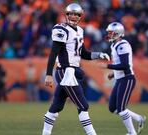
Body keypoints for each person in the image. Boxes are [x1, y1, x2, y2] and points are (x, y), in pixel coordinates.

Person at [42, 3, 110, 135]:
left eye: (76, 14)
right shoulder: (61, 29)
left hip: (73, 71)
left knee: (56, 106)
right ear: (66, 15)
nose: (73, 16)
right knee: (83, 105)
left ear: (80, 16)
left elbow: (84, 53)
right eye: (71, 14)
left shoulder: (80, 30)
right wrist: (49, 74)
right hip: (66, 72)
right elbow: (53, 53)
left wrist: (99, 55)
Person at [100, 22, 146, 135]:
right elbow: (118, 63)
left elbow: (125, 65)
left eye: (111, 33)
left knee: (121, 108)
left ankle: (132, 133)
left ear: (118, 33)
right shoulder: (114, 45)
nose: (109, 35)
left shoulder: (123, 45)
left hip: (127, 79)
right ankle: (139, 118)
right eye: (109, 33)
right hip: (120, 79)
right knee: (113, 108)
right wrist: (112, 73)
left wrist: (107, 66)